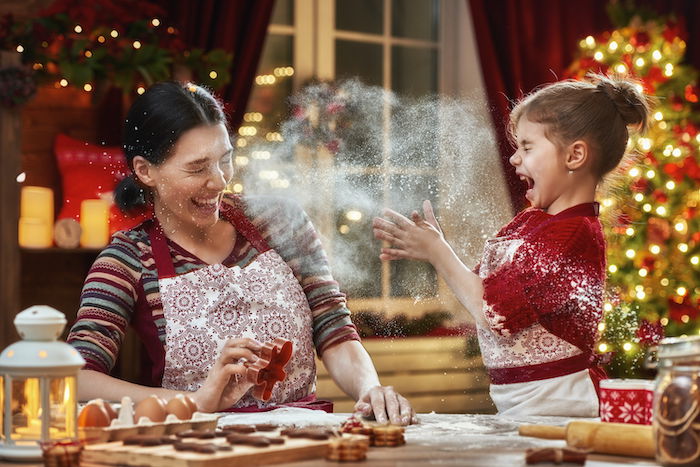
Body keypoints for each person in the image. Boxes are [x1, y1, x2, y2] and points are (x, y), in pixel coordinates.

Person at [67, 81, 415, 425]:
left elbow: (333, 327)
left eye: (224, 160)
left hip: (305, 439)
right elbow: (78, 378)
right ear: (146, 171)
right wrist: (195, 401)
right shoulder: (127, 258)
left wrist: (369, 389)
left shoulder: (279, 221)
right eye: (198, 168)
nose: (219, 181)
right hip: (197, 448)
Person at [372, 74, 652, 416]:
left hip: (561, 410)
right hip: (523, 408)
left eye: (528, 147)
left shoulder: (573, 234)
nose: (514, 159)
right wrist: (435, 246)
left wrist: (438, 252)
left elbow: (492, 311)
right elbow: (480, 289)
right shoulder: (531, 223)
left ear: (575, 155)